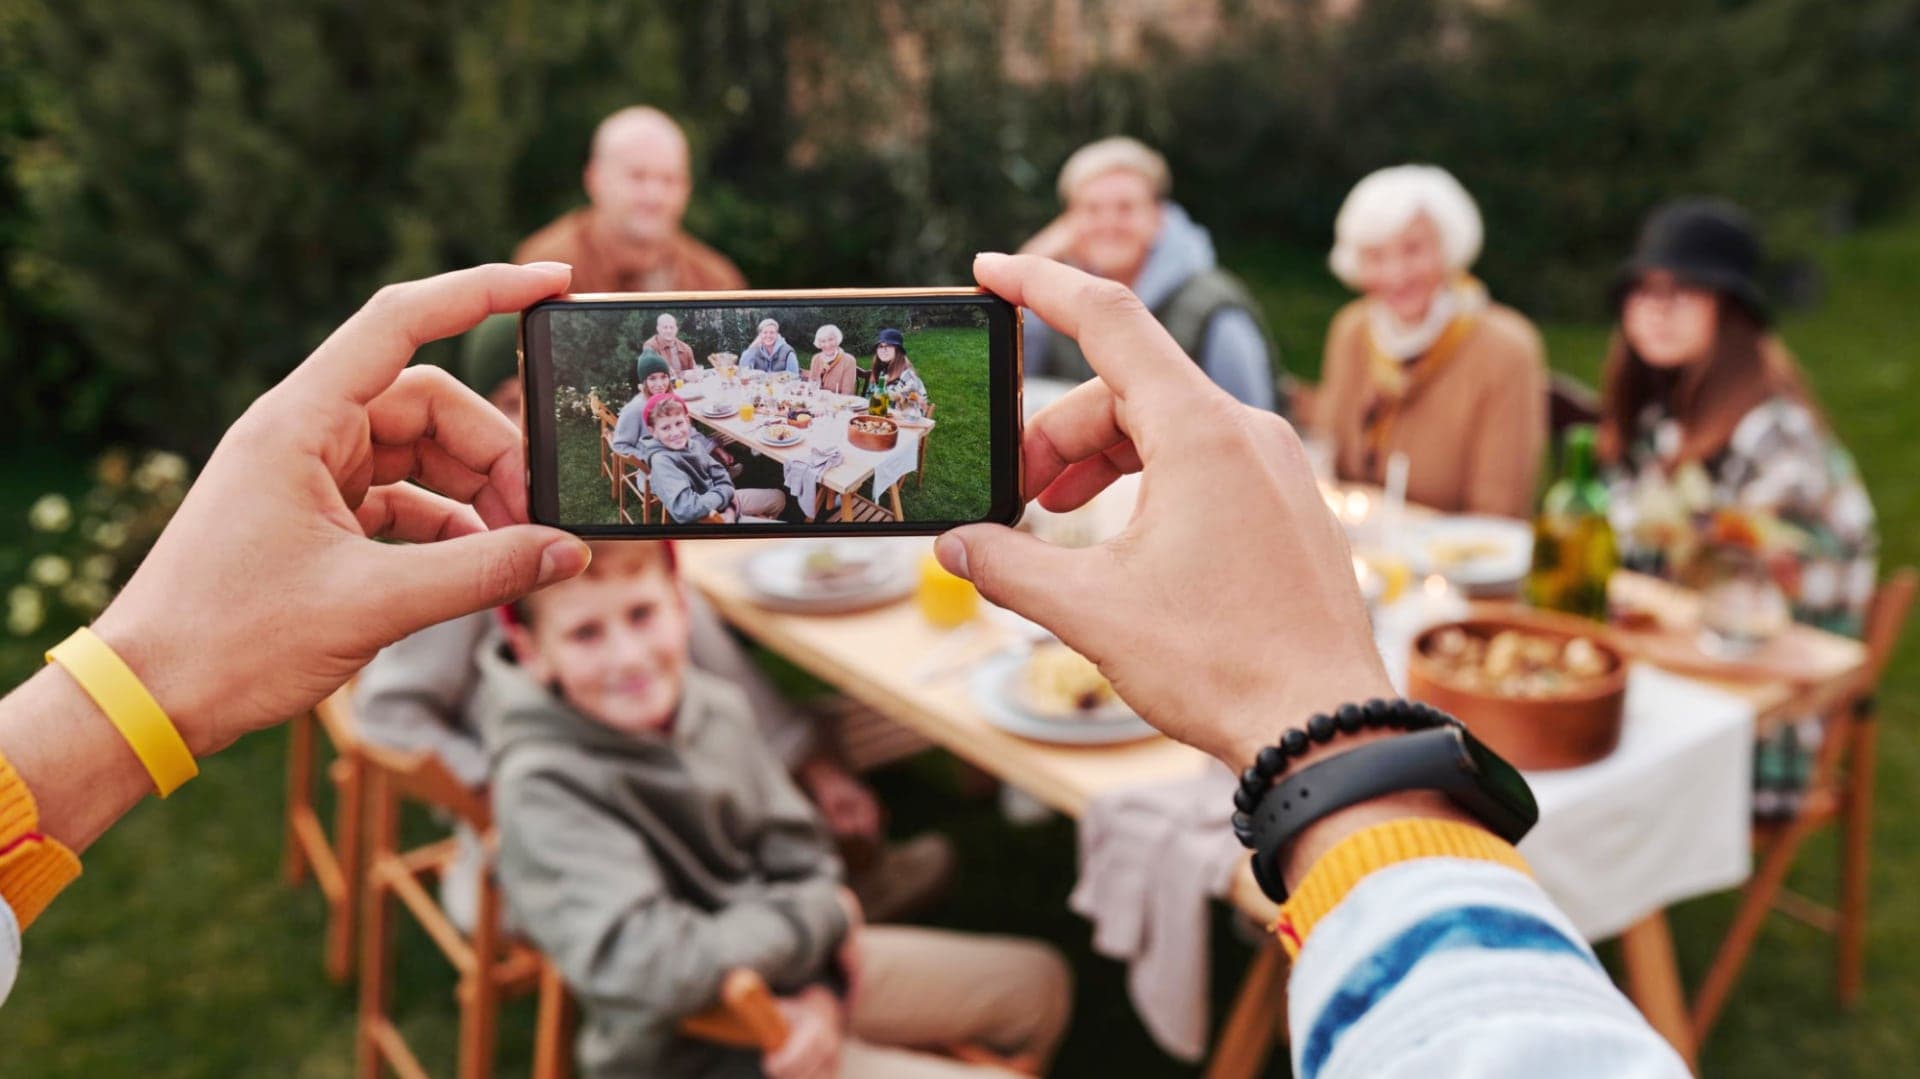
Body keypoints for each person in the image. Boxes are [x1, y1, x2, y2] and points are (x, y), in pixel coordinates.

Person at [0, 254, 1680, 1079]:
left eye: (648, 609)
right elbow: (643, 946)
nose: (637, 633)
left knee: (914, 861)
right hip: (731, 1006)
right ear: (527, 611)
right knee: (1016, 975)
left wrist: (122, 690)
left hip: (781, 901)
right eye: (595, 614)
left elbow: (755, 771)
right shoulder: (550, 752)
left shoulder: (694, 668)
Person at [361, 327, 946, 923]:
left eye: (543, 399)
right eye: (511, 405)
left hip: (665, 744)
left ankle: (843, 869)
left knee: (826, 727)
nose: (529, 429)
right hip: (581, 816)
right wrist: (497, 787)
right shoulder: (467, 547)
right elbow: (387, 712)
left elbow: (713, 657)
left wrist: (808, 764)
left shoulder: (605, 536)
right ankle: (828, 926)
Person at [483, 540, 1073, 1078]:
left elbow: (804, 852)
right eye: (586, 634)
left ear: (681, 606)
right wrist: (816, 924)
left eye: (642, 614)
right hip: (700, 1048)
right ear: (530, 651)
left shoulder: (715, 708)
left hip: (799, 974)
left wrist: (820, 989)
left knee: (1040, 984)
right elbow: (648, 965)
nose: (629, 656)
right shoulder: (542, 783)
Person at [1599, 198, 1878, 636]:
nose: (1658, 307)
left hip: (1778, 661)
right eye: (1643, 288)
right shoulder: (1659, 410)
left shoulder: (1772, 430)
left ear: (1731, 311)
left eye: (1685, 290)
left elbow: (1795, 592)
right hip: (1682, 633)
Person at [1310, 165, 1548, 518]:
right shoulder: (1352, 329)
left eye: (1413, 250)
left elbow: (1499, 514)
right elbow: (1327, 463)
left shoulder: (1506, 349)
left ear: (1447, 248)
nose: (1396, 274)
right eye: (1375, 256)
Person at [1018, 136, 1282, 412]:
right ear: (1067, 222)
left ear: (1158, 216)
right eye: (1091, 209)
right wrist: (1034, 261)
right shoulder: (1054, 305)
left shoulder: (1214, 312)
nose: (1108, 224)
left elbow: (1255, 426)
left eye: (1125, 208)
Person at [514, 107, 746, 292]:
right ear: (594, 179)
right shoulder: (546, 268)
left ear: (687, 188)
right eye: (638, 177)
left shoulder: (716, 281)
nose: (654, 196)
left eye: (669, 180)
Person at [643, 394, 788, 523]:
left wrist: (728, 502)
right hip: (712, 518)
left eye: (679, 423)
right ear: (653, 431)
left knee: (779, 498)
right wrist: (727, 500)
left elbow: (719, 471)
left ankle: (755, 521)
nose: (675, 433)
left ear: (687, 421)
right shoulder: (662, 462)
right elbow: (686, 509)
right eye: (665, 428)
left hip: (722, 501)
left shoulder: (691, 444)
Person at [865, 328, 927, 406]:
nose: (884, 350)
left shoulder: (908, 377)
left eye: (889, 346)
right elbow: (868, 400)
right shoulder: (881, 371)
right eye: (880, 346)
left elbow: (914, 410)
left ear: (898, 350)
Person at [807, 324, 859, 395]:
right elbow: (811, 386)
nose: (827, 345)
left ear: (837, 339)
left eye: (831, 339)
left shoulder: (849, 361)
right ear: (819, 343)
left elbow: (847, 393)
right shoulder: (816, 359)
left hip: (838, 403)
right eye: (823, 341)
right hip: (816, 402)